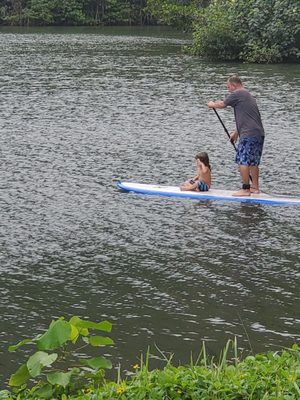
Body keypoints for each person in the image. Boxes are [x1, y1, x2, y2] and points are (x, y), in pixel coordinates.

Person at [207, 75, 265, 196]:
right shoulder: (247, 95)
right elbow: (247, 117)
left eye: (228, 87)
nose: (228, 90)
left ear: (234, 85)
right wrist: (236, 132)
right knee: (253, 162)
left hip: (248, 134)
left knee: (243, 160)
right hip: (257, 133)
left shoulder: (238, 93)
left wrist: (212, 104)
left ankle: (245, 189)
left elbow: (222, 104)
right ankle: (255, 187)